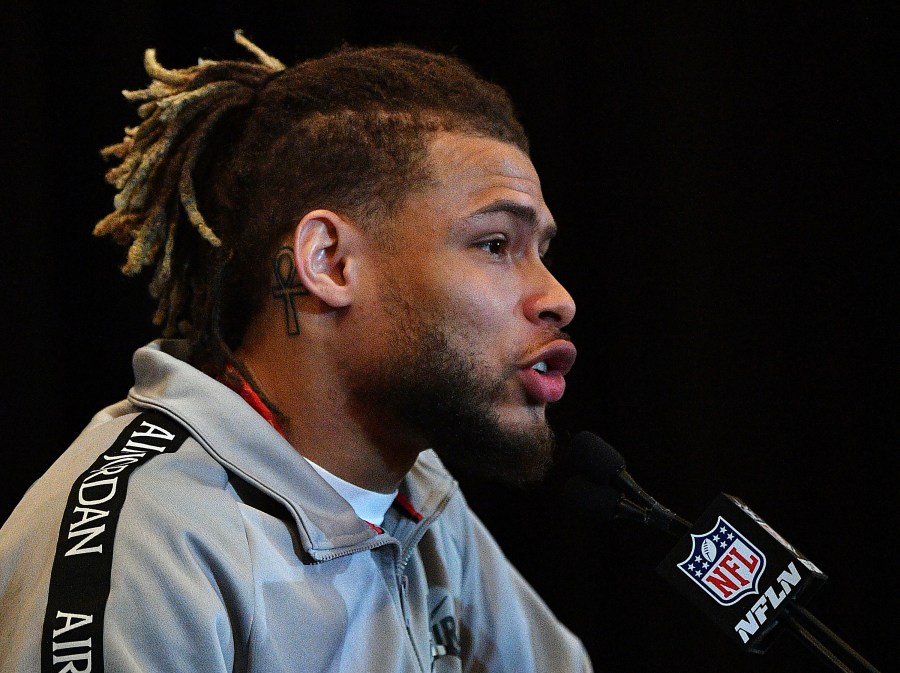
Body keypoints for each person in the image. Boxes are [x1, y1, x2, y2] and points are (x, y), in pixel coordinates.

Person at [0, 31, 590, 672]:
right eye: (496, 244)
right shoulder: (152, 535)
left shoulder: (421, 497)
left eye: (542, 251)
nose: (557, 297)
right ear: (330, 262)